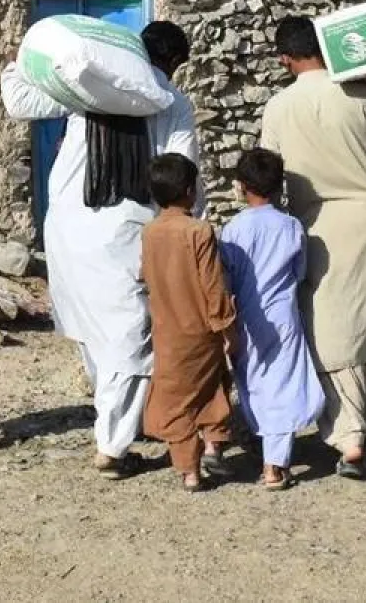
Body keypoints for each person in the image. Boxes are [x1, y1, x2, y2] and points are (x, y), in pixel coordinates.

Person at [0, 20, 198, 478]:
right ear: (174, 63)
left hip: (66, 227)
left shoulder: (86, 92)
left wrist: (17, 62)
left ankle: (119, 418)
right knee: (130, 336)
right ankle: (113, 445)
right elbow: (185, 173)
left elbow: (19, 101)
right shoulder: (168, 102)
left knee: (93, 328)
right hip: (123, 233)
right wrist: (190, 231)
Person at [259, 15, 366, 480]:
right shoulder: (360, 94)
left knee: (332, 330)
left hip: (321, 225)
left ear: (285, 58)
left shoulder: (278, 106)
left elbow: (271, 171)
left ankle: (349, 434)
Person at [218, 147, 324, 490]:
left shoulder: (233, 229)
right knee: (284, 384)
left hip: (246, 317)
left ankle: (265, 445)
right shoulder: (292, 226)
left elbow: (227, 278)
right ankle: (275, 463)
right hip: (283, 316)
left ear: (241, 187)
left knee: (254, 383)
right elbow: (300, 272)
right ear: (279, 187)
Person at [139, 152, 237, 492]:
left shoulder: (150, 233)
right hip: (201, 330)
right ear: (188, 191)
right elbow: (213, 285)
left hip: (166, 331)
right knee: (212, 386)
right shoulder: (199, 231)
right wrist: (227, 326)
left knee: (174, 396)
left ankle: (189, 470)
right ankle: (212, 444)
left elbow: (146, 276)